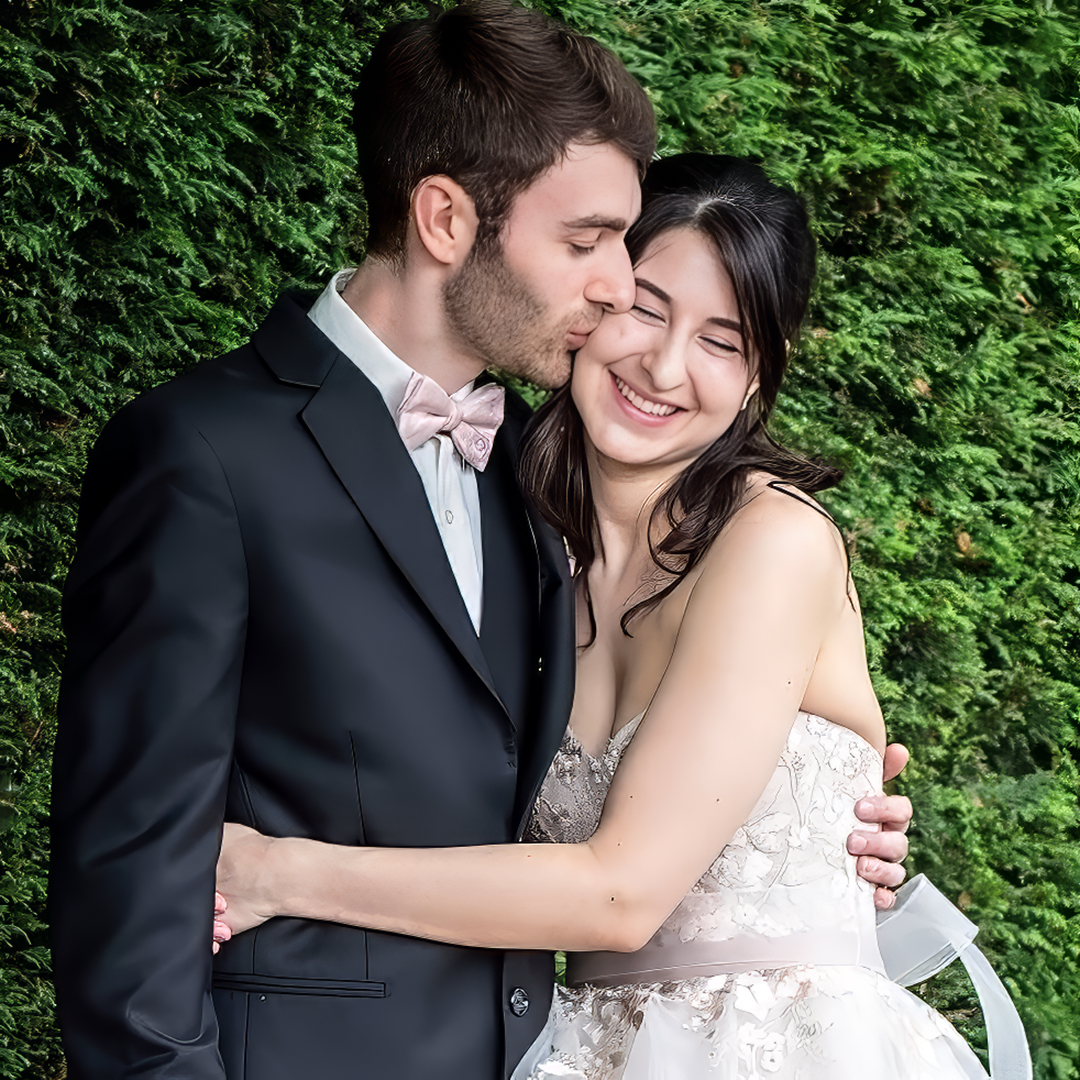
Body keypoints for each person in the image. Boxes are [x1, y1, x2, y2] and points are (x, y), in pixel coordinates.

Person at [50, 4, 910, 1079]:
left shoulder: (522, 489)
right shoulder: (203, 454)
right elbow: (127, 879)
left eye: (722, 341)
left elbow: (626, 867)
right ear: (448, 221)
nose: (609, 299)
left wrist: (834, 837)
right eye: (595, 249)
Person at [214, 154, 988, 1079]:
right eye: (646, 307)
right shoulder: (510, 546)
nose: (662, 366)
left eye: (722, 339)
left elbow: (623, 894)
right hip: (579, 1047)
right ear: (589, 301)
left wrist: (275, 872)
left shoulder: (772, 543)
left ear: (756, 382)